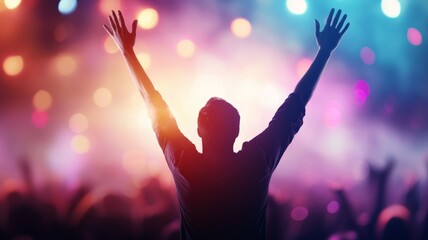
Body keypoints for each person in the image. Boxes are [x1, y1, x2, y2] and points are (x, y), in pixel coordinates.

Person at [104, 8, 349, 240]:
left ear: (200, 130)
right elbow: (295, 106)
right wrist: (324, 52)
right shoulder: (256, 161)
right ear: (236, 130)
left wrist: (128, 53)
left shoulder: (184, 163)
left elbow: (154, 106)